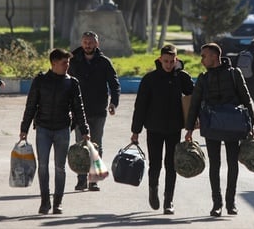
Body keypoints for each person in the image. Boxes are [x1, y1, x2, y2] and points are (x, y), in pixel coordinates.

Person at [184, 43, 254, 217]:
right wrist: (189, 129)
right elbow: (194, 105)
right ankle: (217, 203)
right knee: (214, 164)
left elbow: (246, 99)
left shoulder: (234, 74)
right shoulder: (203, 78)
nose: (201, 60)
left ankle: (231, 203)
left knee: (232, 163)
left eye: (204, 56)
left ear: (214, 57)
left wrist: (252, 125)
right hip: (211, 125)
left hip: (233, 125)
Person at [19, 48, 90, 215]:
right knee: (42, 166)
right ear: (53, 63)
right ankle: (45, 202)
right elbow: (31, 106)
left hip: (62, 129)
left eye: (68, 63)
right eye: (64, 63)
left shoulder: (72, 83)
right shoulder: (40, 81)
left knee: (60, 167)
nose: (67, 66)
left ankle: (57, 202)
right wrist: (24, 128)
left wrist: (85, 130)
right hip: (43, 129)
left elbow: (79, 108)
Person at [131, 44, 194, 215]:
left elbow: (192, 100)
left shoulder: (181, 78)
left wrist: (191, 125)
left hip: (174, 128)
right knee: (155, 164)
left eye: (171, 61)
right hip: (154, 128)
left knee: (171, 165)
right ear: (160, 60)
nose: (168, 64)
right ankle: (153, 190)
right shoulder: (150, 79)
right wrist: (135, 131)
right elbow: (141, 106)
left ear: (176, 60)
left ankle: (169, 200)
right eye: (165, 61)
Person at [68, 31, 121, 191]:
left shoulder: (104, 62)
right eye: (85, 42)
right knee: (80, 146)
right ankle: (81, 179)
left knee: (96, 145)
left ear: (97, 44)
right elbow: (66, 83)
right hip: (79, 111)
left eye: (90, 42)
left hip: (98, 110)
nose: (88, 45)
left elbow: (114, 84)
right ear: (81, 43)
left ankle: (94, 179)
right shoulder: (73, 61)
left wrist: (114, 103)